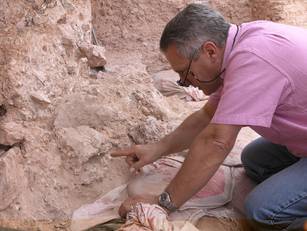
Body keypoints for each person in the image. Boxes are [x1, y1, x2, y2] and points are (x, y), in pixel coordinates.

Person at [112, 3, 307, 230]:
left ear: (210, 51)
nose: (185, 82)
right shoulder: (240, 47)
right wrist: (157, 149)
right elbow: (205, 116)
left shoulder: (253, 58)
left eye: (184, 72)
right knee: (255, 161)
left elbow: (217, 141)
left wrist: (164, 203)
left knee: (263, 211)